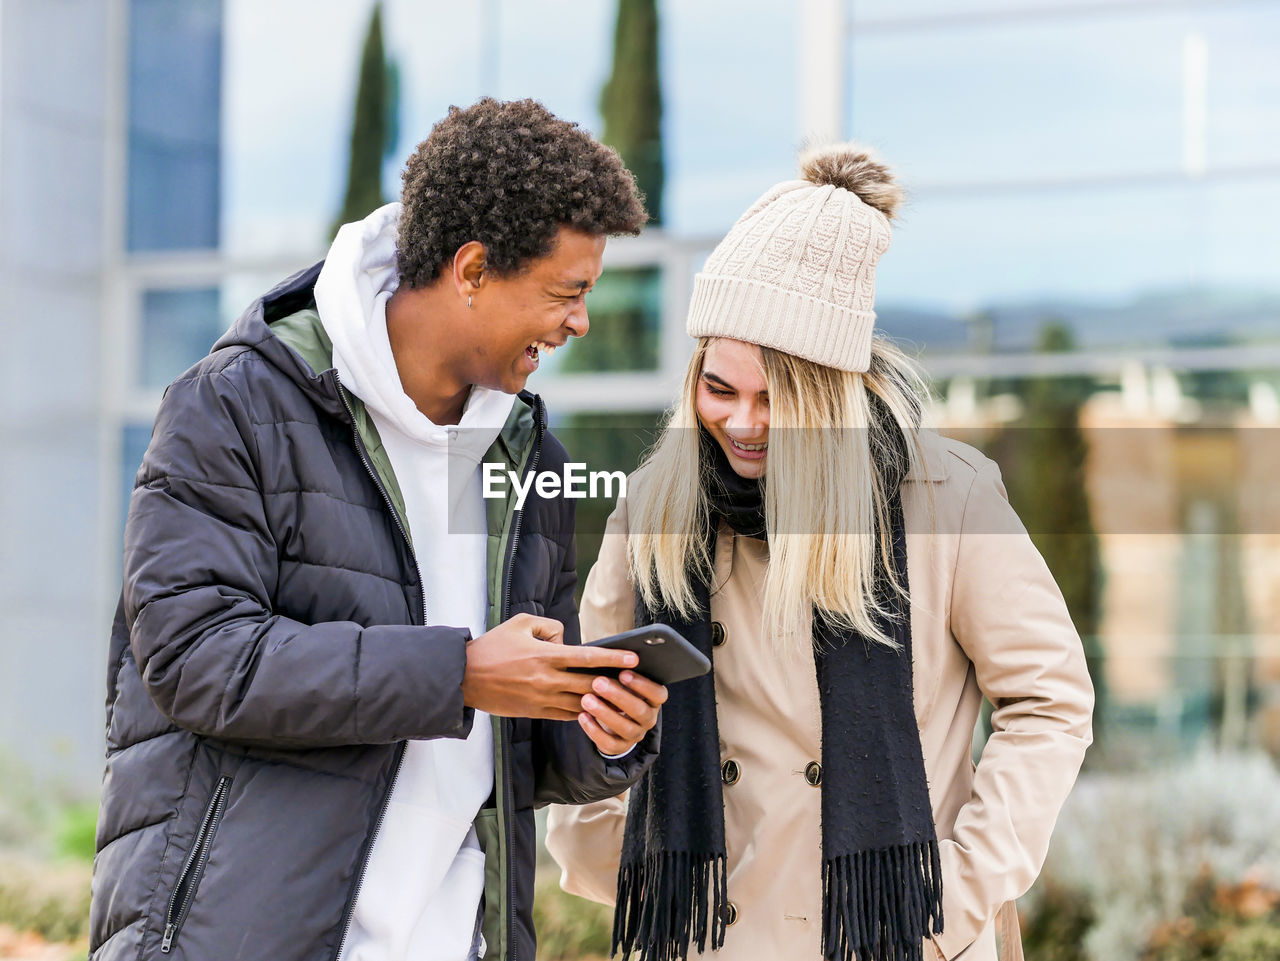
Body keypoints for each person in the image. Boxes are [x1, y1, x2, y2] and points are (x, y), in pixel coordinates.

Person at [90, 98, 668, 961]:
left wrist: (598, 729)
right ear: (472, 270)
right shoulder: (234, 406)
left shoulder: (529, 454)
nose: (580, 321)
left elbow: (514, 747)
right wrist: (460, 672)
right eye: (566, 292)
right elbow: (194, 659)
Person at [545, 144, 1095, 961]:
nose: (740, 422)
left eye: (775, 398)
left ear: (831, 389)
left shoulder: (943, 497)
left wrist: (953, 890)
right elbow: (590, 711)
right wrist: (613, 823)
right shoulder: (655, 506)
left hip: (893, 935)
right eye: (718, 387)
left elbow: (1050, 700)